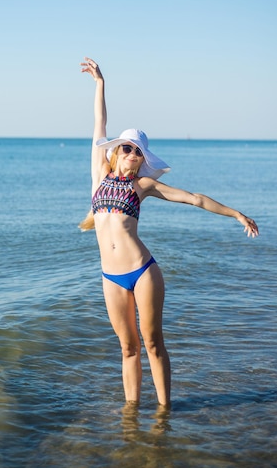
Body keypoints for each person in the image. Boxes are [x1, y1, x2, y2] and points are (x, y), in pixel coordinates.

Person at [80, 57, 259, 408]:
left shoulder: (143, 185)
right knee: (128, 348)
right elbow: (98, 123)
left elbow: (193, 199)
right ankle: (131, 414)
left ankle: (164, 411)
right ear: (117, 151)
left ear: (142, 159)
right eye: (127, 148)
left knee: (151, 342)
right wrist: (100, 84)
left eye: (137, 151)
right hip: (110, 277)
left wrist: (235, 213)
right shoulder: (99, 176)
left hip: (143, 272)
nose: (131, 154)